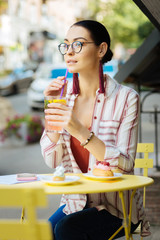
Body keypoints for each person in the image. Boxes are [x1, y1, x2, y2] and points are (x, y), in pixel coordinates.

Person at [40, 20, 150, 240]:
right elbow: (52, 162)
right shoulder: (64, 100)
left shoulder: (126, 98)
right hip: (75, 202)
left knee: (66, 230)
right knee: (42, 232)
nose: (69, 52)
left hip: (117, 208)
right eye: (66, 45)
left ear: (101, 49)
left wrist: (80, 131)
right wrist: (52, 109)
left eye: (78, 44)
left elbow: (126, 164)